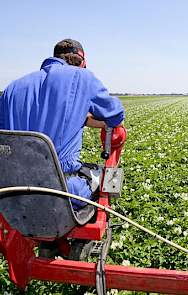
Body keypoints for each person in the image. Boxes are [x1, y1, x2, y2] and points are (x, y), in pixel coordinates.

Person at [0, 38, 125, 210]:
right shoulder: (82, 77)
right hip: (63, 191)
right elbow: (116, 115)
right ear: (81, 62)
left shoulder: (12, 88)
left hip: (13, 192)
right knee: (103, 177)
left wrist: (81, 118)